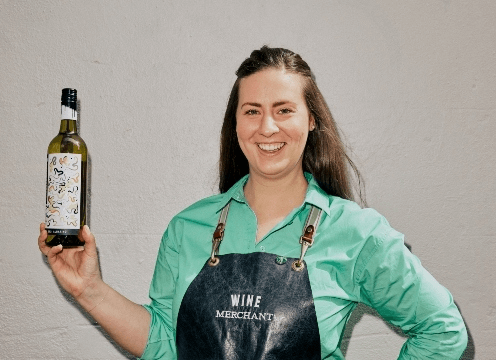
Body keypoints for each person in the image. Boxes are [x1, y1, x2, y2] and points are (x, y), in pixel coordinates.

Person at [39, 46, 468, 359]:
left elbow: (443, 329)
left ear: (311, 119)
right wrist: (88, 289)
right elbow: (165, 342)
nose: (267, 127)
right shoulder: (188, 227)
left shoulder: (357, 233)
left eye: (284, 110)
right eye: (251, 111)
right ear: (236, 123)